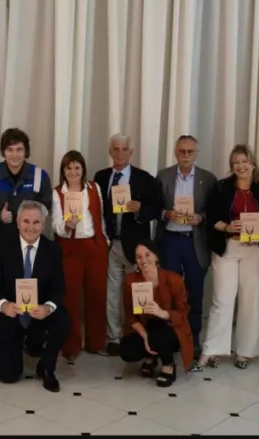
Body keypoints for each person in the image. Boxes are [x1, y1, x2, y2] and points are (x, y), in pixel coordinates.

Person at [192, 145, 259, 372]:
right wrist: (228, 227)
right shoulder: (221, 188)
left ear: (253, 164)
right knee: (222, 299)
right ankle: (212, 350)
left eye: (244, 161)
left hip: (254, 250)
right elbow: (211, 220)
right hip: (227, 247)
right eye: (236, 162)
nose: (240, 166)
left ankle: (245, 351)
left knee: (251, 301)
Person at [0, 128, 53, 357]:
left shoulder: (39, 175)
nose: (14, 154)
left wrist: (30, 222)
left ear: (25, 151)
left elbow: (46, 206)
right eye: (9, 150)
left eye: (19, 149)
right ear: (3, 152)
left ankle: (34, 339)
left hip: (30, 243)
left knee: (34, 287)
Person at [0, 201, 70, 392]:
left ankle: (47, 367)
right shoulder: (1, 247)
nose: (31, 227)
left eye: (36, 222)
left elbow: (58, 288)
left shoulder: (53, 250)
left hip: (38, 314)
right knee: (8, 375)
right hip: (10, 314)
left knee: (62, 319)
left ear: (43, 225)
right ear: (17, 222)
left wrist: (47, 308)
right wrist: (4, 305)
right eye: (26, 221)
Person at [93, 133, 162, 357]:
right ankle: (113, 337)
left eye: (124, 149)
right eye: (116, 149)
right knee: (111, 294)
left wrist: (140, 210)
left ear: (131, 152)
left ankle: (139, 336)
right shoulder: (101, 177)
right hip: (111, 243)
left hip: (136, 247)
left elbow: (155, 210)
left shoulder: (145, 178)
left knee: (139, 292)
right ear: (110, 151)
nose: (120, 153)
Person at [156, 135, 217, 360]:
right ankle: (171, 338)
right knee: (170, 293)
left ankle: (193, 338)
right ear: (175, 152)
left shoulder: (207, 179)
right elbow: (154, 207)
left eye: (190, 151)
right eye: (182, 151)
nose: (186, 155)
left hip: (194, 242)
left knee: (195, 293)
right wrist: (166, 213)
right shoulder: (163, 176)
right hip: (170, 240)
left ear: (197, 153)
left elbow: (215, 211)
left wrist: (200, 218)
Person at [50, 150, 109, 359]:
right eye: (69, 168)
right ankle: (71, 345)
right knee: (70, 297)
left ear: (83, 169)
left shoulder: (94, 188)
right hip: (70, 247)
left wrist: (104, 240)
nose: (73, 172)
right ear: (63, 171)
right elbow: (55, 224)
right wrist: (67, 226)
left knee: (97, 295)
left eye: (77, 167)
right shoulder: (57, 193)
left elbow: (100, 217)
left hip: (95, 246)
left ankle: (96, 342)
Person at [120, 239, 193, 387]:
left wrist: (163, 313)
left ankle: (168, 363)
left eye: (148, 255)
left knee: (158, 334)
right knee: (127, 349)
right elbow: (130, 317)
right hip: (145, 327)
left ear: (156, 257)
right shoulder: (130, 281)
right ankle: (151, 355)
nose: (143, 260)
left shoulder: (174, 279)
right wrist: (145, 337)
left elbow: (183, 313)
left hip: (169, 327)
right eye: (139, 257)